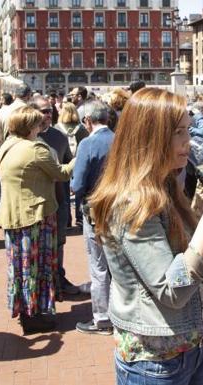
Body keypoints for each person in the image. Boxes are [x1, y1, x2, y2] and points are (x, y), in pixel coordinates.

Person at [89, 88, 203, 384]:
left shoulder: (165, 184)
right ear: (150, 137)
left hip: (193, 344)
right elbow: (173, 289)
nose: (189, 141)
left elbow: (186, 252)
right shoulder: (132, 202)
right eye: (178, 132)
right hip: (156, 359)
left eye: (188, 129)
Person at [0, 106, 75, 334]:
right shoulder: (35, 149)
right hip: (34, 216)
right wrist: (79, 157)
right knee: (37, 266)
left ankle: (26, 309)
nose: (42, 127)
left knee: (20, 267)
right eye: (39, 124)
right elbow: (61, 173)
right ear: (30, 126)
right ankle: (35, 313)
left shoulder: (7, 146)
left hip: (14, 215)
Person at [70, 100, 115, 335]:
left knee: (98, 268)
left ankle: (103, 319)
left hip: (96, 210)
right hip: (120, 208)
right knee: (117, 266)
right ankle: (120, 314)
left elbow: (77, 183)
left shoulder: (88, 143)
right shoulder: (120, 140)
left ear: (88, 121)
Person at [35, 99, 78, 295]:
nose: (48, 115)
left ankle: (58, 277)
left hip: (59, 199)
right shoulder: (25, 138)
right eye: (43, 111)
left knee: (59, 241)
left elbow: (69, 162)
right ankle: (43, 284)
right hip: (36, 202)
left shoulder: (59, 136)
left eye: (50, 111)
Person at [0, 84, 31, 149]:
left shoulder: (3, 111)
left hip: (7, 151)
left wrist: (2, 152)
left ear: (14, 95)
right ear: (28, 95)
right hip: (26, 152)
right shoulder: (31, 112)